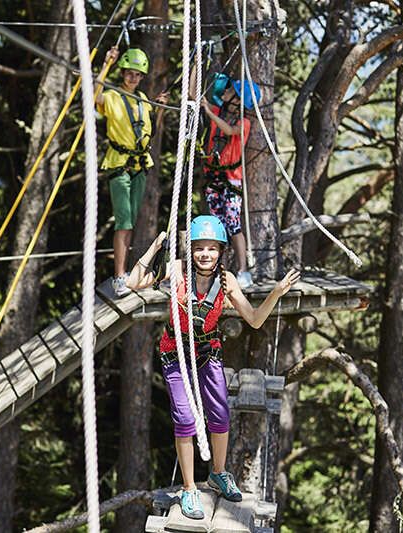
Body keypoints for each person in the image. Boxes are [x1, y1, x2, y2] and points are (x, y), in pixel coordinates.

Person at [126, 215, 300, 519]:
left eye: (212, 248)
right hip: (176, 353)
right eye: (199, 248)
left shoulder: (226, 280)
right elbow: (132, 282)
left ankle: (218, 473)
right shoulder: (177, 271)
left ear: (221, 251)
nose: (205, 254)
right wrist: (154, 247)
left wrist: (276, 292)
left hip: (208, 352)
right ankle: (190, 488)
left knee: (219, 414)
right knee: (184, 419)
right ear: (190, 250)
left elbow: (256, 319)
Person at [95, 46, 169, 297]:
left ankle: (126, 273)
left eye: (138, 75)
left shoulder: (142, 102)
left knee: (131, 221)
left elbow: (150, 135)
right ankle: (119, 276)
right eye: (129, 73)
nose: (133, 78)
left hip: (139, 166)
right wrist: (106, 65)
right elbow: (94, 97)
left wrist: (158, 108)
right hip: (119, 164)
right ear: (123, 72)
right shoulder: (113, 95)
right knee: (124, 221)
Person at [197, 73, 262, 288]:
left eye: (231, 91)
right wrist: (197, 61)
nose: (225, 92)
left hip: (231, 181)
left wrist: (209, 113)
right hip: (213, 179)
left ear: (238, 99)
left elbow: (230, 130)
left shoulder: (244, 122)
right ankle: (217, 271)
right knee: (217, 226)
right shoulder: (217, 111)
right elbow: (191, 94)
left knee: (233, 225)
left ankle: (243, 270)